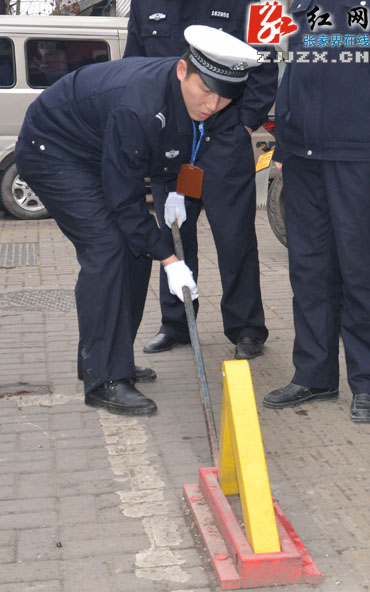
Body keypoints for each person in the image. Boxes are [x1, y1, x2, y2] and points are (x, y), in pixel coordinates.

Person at [15, 25, 260, 416]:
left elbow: (184, 145)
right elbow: (126, 204)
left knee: (134, 247)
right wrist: (171, 261)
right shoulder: (140, 106)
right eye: (207, 92)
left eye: (225, 97)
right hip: (54, 149)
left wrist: (180, 190)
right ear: (182, 70)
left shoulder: (197, 99)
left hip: (98, 148)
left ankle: (108, 360)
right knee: (108, 247)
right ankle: (105, 380)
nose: (213, 106)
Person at [124, 0, 278, 359]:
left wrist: (245, 122)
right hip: (170, 139)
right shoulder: (146, 4)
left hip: (224, 137)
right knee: (174, 234)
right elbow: (135, 65)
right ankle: (177, 323)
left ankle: (247, 328)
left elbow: (266, 60)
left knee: (235, 237)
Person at [263, 1, 370, 422]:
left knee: (360, 270)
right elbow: (293, 71)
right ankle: (315, 374)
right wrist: (284, 145)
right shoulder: (304, 6)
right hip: (304, 157)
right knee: (309, 269)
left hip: (357, 156)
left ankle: (366, 382)